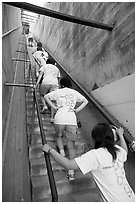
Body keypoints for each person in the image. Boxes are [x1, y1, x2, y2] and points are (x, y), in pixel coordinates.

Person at [43, 123, 135, 202]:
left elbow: (68, 164)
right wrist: (121, 135)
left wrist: (50, 150)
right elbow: (125, 151)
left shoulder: (95, 155)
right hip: (131, 198)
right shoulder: (117, 150)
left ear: (95, 139)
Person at [44, 76, 88, 180]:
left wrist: (54, 107)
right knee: (71, 145)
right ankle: (71, 171)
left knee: (59, 136)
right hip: (71, 119)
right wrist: (76, 110)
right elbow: (85, 101)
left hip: (59, 117)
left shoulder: (58, 91)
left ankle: (62, 153)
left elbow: (46, 96)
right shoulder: (74, 92)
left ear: (61, 84)